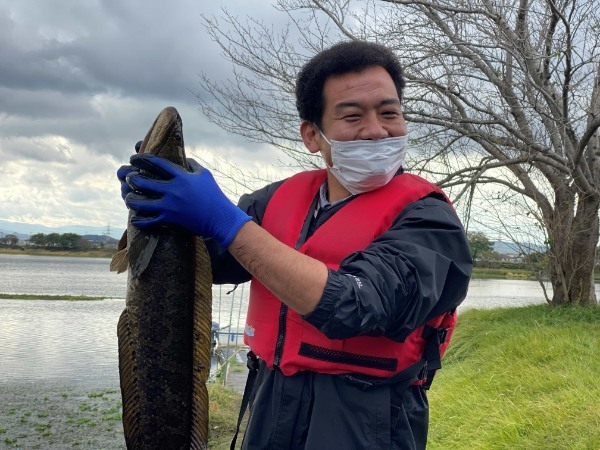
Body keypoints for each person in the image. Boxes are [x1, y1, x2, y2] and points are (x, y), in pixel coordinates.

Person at [119, 41, 472, 450]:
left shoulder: (428, 220)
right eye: (353, 116)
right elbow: (202, 262)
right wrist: (159, 212)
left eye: (389, 113)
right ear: (312, 135)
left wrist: (221, 218)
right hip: (271, 404)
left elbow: (359, 306)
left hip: (368, 420)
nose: (376, 130)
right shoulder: (277, 201)